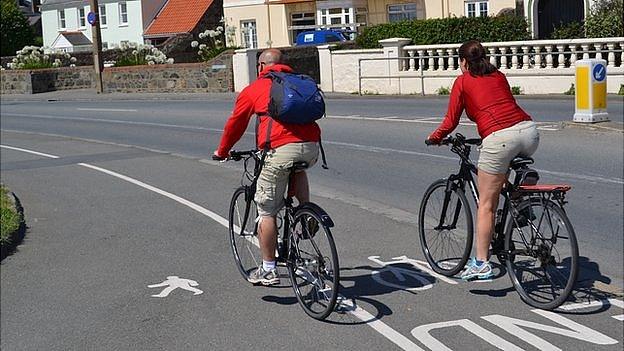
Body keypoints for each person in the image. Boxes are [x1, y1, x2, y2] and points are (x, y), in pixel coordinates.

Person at [426, 40, 540, 280]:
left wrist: (435, 138)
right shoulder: (498, 75)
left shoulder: (463, 81)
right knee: (501, 174)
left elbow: (451, 121)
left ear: (463, 62)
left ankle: (480, 263)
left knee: (486, 205)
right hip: (529, 132)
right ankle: (518, 194)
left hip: (499, 138)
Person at [213, 49, 321, 286]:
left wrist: (222, 151)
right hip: (312, 148)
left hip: (279, 151)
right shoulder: (300, 82)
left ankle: (268, 268)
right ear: (284, 65)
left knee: (267, 212)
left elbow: (235, 125)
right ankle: (306, 212)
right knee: (297, 168)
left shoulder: (255, 89)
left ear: (261, 66)